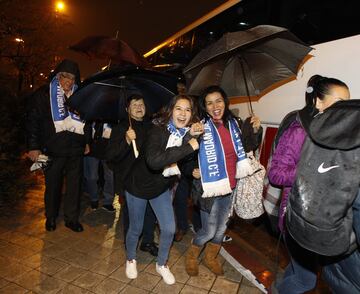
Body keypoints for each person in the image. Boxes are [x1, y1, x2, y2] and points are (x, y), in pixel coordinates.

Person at [268, 75, 351, 293]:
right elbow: (276, 174)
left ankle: (278, 288)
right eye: (339, 102)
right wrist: (312, 171)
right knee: (307, 281)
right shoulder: (299, 130)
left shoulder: (333, 132)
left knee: (299, 271)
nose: (345, 109)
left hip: (317, 219)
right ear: (318, 102)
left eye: (348, 102)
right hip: (295, 216)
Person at [124, 94, 203, 285]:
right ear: (170, 110)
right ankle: (131, 258)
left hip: (160, 188)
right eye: (179, 108)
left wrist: (193, 170)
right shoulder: (157, 130)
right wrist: (189, 146)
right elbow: (154, 161)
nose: (183, 113)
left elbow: (182, 164)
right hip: (138, 186)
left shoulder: (185, 135)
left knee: (169, 228)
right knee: (136, 227)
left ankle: (162, 264)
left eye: (187, 109)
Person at [185, 85, 262, 277]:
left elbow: (248, 147)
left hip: (231, 186)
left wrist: (255, 130)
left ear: (225, 102)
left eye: (218, 101)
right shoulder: (199, 126)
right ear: (205, 106)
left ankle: (210, 257)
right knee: (209, 230)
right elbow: (184, 155)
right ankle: (192, 256)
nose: (215, 106)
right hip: (209, 187)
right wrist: (191, 169)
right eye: (209, 103)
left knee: (221, 230)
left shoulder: (235, 123)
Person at [26, 59, 89, 232]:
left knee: (75, 186)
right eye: (65, 76)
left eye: (72, 78)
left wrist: (86, 142)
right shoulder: (43, 94)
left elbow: (87, 122)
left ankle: (71, 218)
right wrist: (33, 146)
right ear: (57, 76)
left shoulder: (80, 95)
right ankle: (51, 217)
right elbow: (33, 122)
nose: (69, 81)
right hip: (53, 148)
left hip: (75, 148)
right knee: (53, 185)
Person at [107, 94, 158, 256]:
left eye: (141, 104)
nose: (138, 107)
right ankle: (131, 245)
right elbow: (111, 156)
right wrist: (127, 141)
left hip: (149, 178)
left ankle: (148, 242)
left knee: (150, 212)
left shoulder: (152, 126)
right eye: (134, 104)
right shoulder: (121, 128)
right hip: (129, 180)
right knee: (131, 214)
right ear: (127, 109)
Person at [84, 121, 115, 211]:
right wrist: (86, 142)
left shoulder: (114, 116)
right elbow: (86, 128)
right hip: (91, 149)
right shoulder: (91, 114)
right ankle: (94, 198)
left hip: (109, 150)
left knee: (110, 177)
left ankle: (108, 202)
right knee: (92, 177)